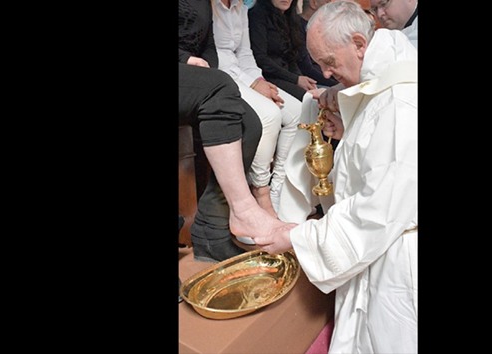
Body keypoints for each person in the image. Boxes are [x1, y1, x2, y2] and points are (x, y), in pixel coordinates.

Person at [250, 1, 418, 353]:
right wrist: (348, 111)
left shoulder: (402, 106)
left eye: (329, 62)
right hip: (381, 245)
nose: (326, 74)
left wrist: (297, 237)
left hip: (396, 259)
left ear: (359, 43)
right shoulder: (387, 74)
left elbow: (375, 214)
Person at [179, 0, 285, 261]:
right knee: (220, 87)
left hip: (193, 72)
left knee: (250, 123)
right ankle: (245, 209)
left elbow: (209, 44)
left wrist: (206, 66)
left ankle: (211, 231)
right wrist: (185, 59)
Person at [211, 0, 302, 219]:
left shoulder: (240, 7)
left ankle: (279, 189)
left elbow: (245, 53)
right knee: (270, 115)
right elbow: (214, 55)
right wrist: (253, 84)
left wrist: (259, 80)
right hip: (221, 76)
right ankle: (260, 191)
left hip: (245, 74)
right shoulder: (209, 7)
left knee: (297, 111)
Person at [248, 0, 318, 101]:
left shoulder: (290, 18)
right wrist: (296, 79)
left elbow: (291, 57)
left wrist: (300, 78)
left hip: (287, 75)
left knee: (315, 94)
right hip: (267, 76)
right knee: (310, 100)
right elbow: (260, 58)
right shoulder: (257, 15)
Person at [296, 0, 339, 87]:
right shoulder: (297, 28)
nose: (330, 8)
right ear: (313, 3)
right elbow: (307, 68)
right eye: (327, 3)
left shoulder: (325, 29)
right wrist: (338, 85)